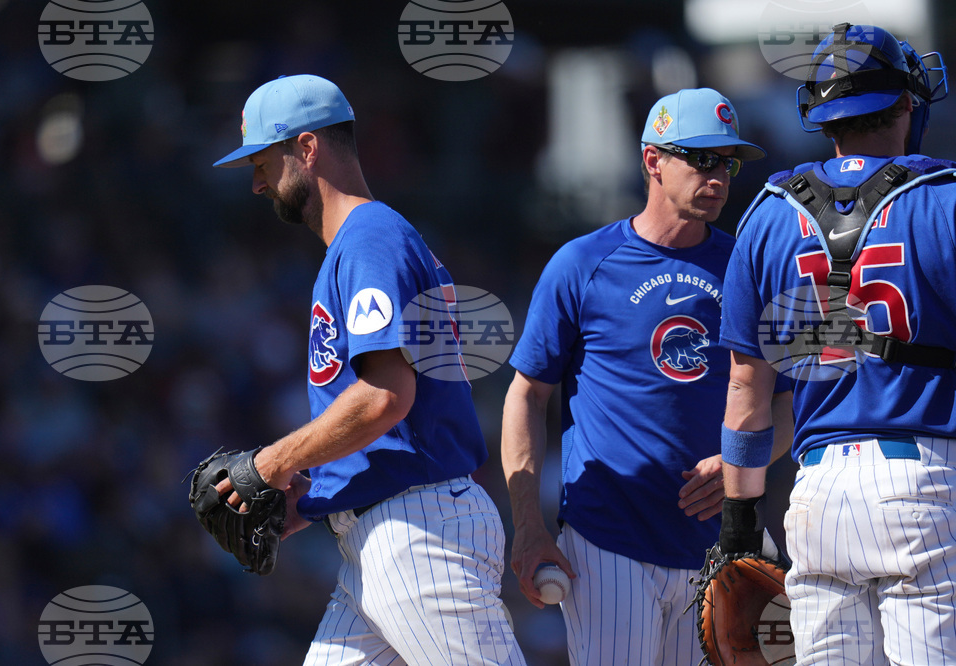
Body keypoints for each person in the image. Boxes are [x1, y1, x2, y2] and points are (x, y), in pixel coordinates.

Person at [210, 74, 526, 665]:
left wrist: (271, 463)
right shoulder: (362, 243)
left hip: (419, 532)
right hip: (381, 532)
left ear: (306, 149)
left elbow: (386, 397)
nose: (256, 182)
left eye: (263, 161)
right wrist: (303, 503)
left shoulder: (369, 239)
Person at [501, 87, 791, 665]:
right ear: (652, 160)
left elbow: (786, 403)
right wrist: (529, 524)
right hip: (608, 539)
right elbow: (527, 395)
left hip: (715, 548)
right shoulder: (584, 263)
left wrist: (746, 461)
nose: (718, 178)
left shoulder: (746, 266)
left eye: (728, 164)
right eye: (702, 159)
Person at [717, 22, 956, 665]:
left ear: (823, 116)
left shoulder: (766, 214)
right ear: (908, 103)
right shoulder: (946, 200)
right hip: (921, 476)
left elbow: (746, 389)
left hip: (815, 493)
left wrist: (740, 522)